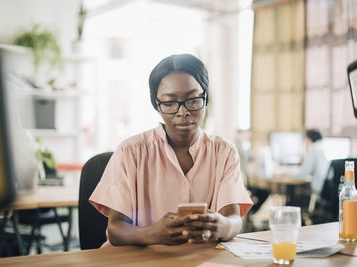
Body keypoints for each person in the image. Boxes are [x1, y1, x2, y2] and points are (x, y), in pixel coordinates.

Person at [89, 54, 253, 247]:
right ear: (157, 105)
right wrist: (151, 234)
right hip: (140, 260)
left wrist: (223, 226)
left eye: (193, 100)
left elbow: (233, 219)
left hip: (198, 260)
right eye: (169, 103)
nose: (183, 112)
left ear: (205, 98)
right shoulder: (130, 151)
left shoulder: (224, 152)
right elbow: (115, 230)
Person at [293, 129, 329, 195]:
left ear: (309, 139)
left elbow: (303, 173)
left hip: (317, 190)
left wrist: (289, 174)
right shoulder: (322, 147)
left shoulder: (313, 149)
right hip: (325, 189)